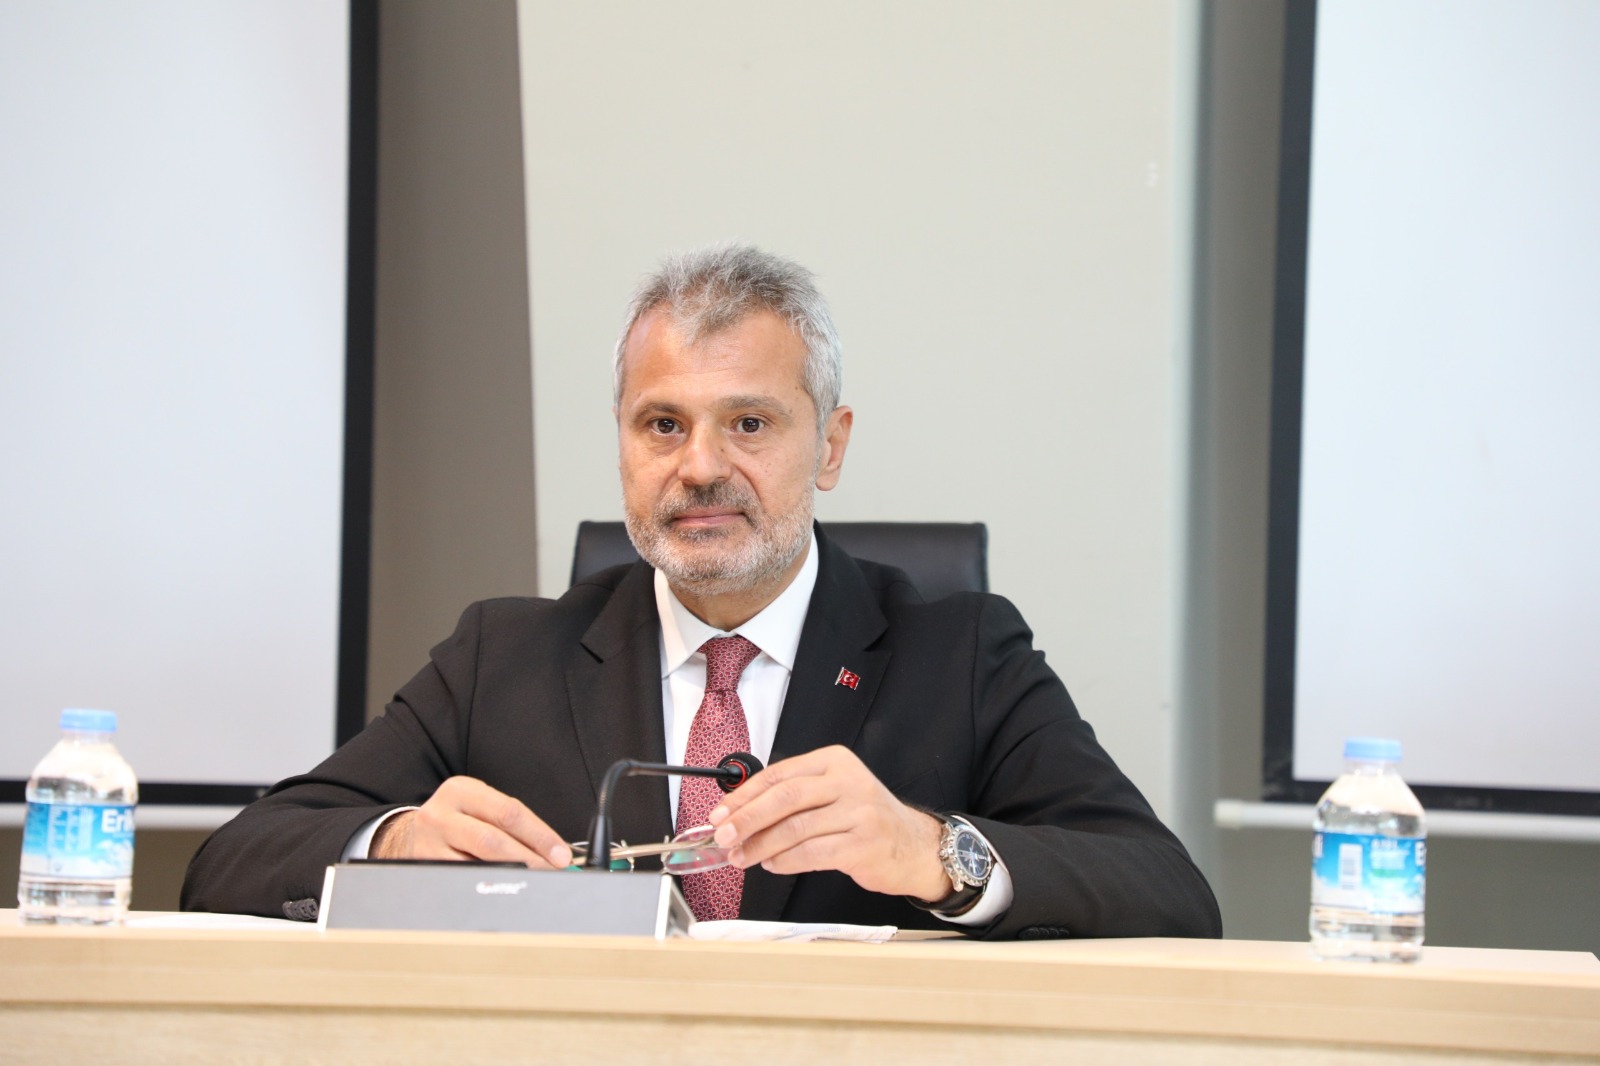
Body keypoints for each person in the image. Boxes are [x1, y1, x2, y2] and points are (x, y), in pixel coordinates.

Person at [182, 244, 1222, 939]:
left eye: (749, 424)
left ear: (830, 446)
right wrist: (396, 842)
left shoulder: (960, 654)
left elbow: (1169, 893)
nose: (701, 467)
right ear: (623, 444)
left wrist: (931, 851)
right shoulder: (504, 657)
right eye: (663, 425)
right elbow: (229, 863)